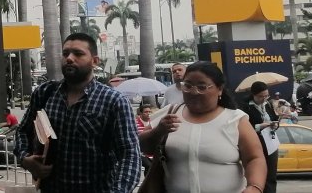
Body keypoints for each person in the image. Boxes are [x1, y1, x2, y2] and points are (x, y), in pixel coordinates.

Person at [14, 32, 142, 192]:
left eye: (78, 54)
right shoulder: (44, 93)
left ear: (94, 61)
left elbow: (129, 154)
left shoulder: (113, 101)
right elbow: (22, 131)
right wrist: (26, 160)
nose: (69, 58)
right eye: (66, 53)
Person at [141, 61, 266, 193]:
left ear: (220, 89)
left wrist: (255, 187)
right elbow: (142, 146)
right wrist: (159, 131)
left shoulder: (235, 119)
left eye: (202, 87)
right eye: (187, 86)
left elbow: (254, 158)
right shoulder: (170, 112)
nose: (193, 92)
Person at [243, 81, 280, 193]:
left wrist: (274, 123)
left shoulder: (268, 104)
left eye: (266, 95)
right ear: (253, 94)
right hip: (255, 143)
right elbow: (244, 128)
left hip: (270, 143)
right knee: (256, 174)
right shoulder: (245, 107)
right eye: (261, 96)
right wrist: (260, 126)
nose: (264, 98)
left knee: (271, 175)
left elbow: (274, 118)